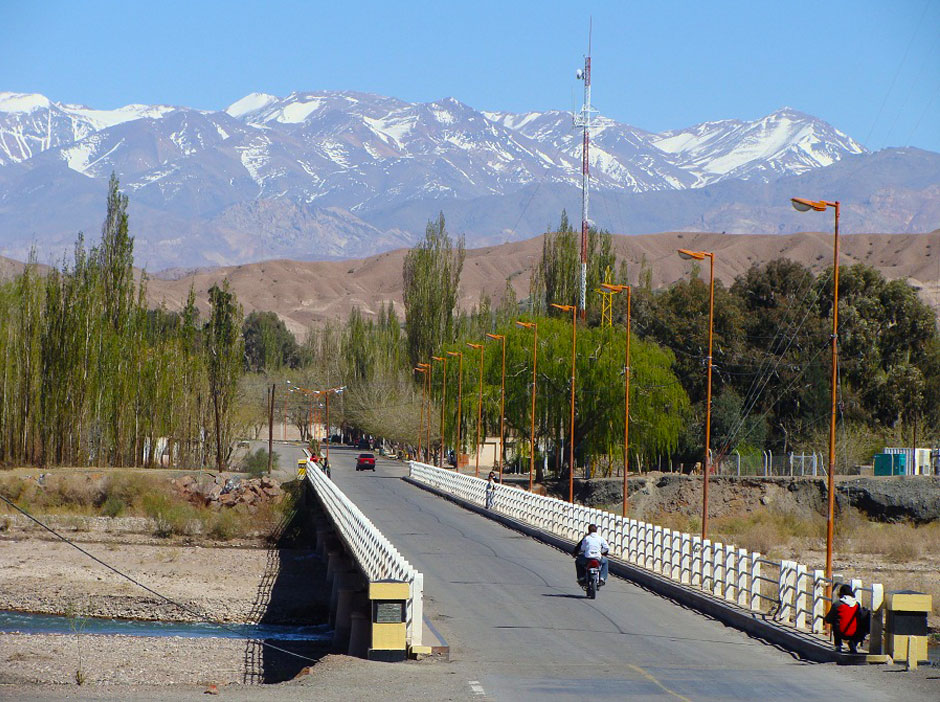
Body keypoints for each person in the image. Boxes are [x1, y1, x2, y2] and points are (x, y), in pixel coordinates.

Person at [824, 584, 866, 653]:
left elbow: (828, 619)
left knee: (835, 622)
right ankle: (853, 644)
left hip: (841, 632)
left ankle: (838, 645)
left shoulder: (837, 604)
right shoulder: (857, 604)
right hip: (855, 632)